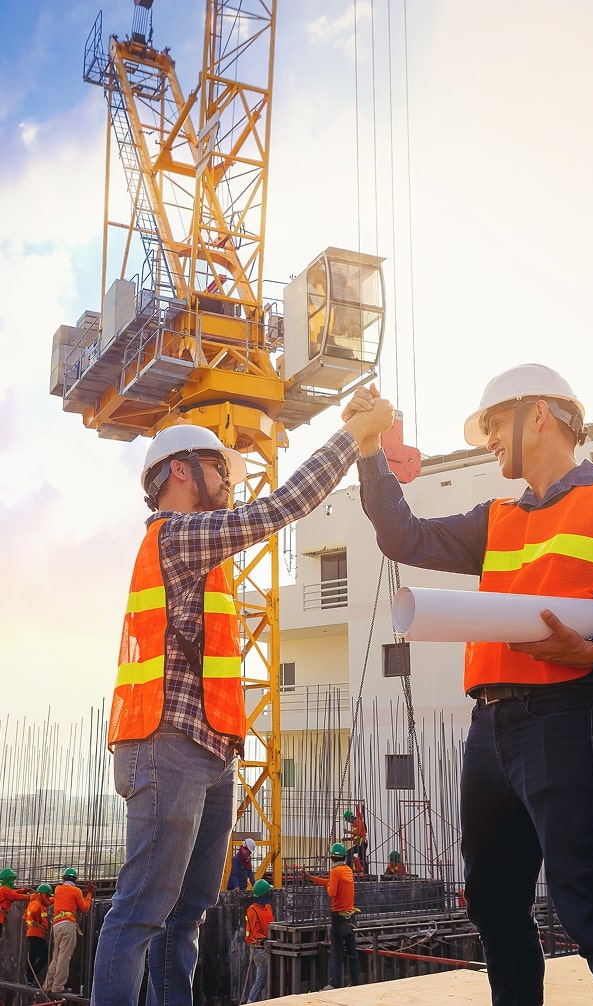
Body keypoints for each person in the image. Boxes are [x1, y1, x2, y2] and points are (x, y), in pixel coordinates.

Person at [347, 365, 593, 1006]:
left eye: (494, 424)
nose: (489, 440)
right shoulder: (496, 518)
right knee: (493, 906)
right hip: (490, 730)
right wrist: (368, 452)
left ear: (539, 414)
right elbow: (403, 536)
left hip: (572, 718)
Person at [90, 398, 393, 1006]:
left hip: (211, 749)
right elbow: (277, 510)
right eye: (220, 469)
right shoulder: (176, 537)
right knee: (143, 910)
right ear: (181, 471)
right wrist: (348, 437)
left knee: (188, 914)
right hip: (165, 745)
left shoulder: (204, 554)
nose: (230, 481)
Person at [304, 843, 360, 990]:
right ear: (343, 857)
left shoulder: (335, 872)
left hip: (338, 919)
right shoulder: (347, 870)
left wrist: (328, 885)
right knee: (352, 953)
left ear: (331, 857)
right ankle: (356, 982)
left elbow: (331, 892)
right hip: (350, 919)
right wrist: (313, 878)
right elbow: (330, 883)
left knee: (336, 953)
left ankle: (335, 984)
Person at [43, 868, 94, 995]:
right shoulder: (76, 891)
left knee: (56, 956)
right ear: (75, 880)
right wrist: (89, 893)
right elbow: (85, 908)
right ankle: (58, 987)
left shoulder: (58, 889)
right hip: (68, 924)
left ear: (63, 879)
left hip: (57, 925)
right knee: (64, 957)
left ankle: (48, 985)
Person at [242, 878, 275, 1003]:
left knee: (264, 978)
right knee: (263, 977)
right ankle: (251, 1002)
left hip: (268, 946)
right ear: (263, 894)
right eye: (268, 892)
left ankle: (254, 1001)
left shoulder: (268, 907)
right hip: (259, 949)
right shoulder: (252, 910)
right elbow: (256, 933)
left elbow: (271, 924)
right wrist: (268, 939)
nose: (270, 893)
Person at [24, 884, 54, 988]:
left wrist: (57, 897)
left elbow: (48, 902)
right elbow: (33, 912)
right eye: (47, 895)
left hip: (36, 934)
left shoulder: (40, 902)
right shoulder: (36, 903)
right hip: (35, 933)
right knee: (42, 956)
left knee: (35, 956)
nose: (48, 898)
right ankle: (30, 978)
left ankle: (30, 978)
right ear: (41, 894)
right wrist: (36, 920)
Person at [0, 868, 30, 939]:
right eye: (11, 880)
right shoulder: (5, 889)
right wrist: (31, 896)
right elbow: (16, 896)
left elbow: (13, 892)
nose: (13, 882)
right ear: (7, 880)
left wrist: (24, 890)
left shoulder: (3, 889)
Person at [343, 807, 368, 873]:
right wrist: (347, 839)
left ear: (350, 817)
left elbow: (358, 833)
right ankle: (365, 873)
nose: (348, 822)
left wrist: (348, 832)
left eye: (348, 820)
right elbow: (355, 836)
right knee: (362, 859)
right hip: (360, 844)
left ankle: (349, 870)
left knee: (348, 853)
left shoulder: (358, 822)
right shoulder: (355, 824)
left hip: (362, 844)